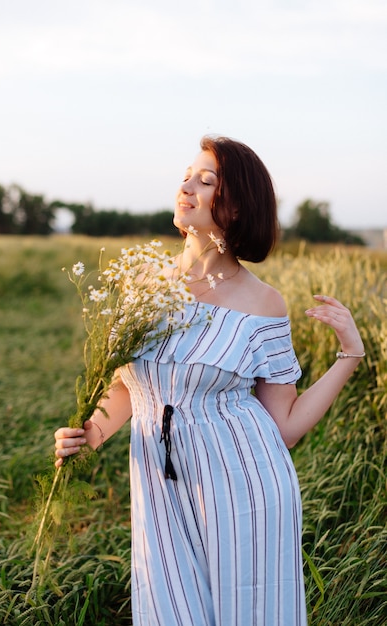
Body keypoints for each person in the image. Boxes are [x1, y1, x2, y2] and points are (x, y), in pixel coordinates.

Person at [54, 136, 365, 625]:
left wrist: (350, 354)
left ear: (238, 206)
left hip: (244, 485)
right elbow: (127, 386)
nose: (186, 187)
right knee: (169, 609)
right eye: (186, 176)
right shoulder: (146, 284)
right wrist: (90, 434)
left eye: (207, 181)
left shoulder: (264, 304)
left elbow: (283, 425)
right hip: (160, 482)